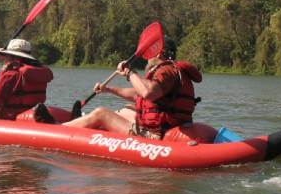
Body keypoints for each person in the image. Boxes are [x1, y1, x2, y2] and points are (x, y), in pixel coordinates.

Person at [62, 39, 201, 139]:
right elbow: (139, 95)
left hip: (156, 135)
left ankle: (59, 129)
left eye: (149, 53)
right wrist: (108, 89)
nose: (147, 58)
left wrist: (129, 72)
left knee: (101, 113)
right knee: (127, 109)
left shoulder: (166, 71)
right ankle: (81, 121)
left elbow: (147, 92)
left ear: (158, 54)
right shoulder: (171, 71)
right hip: (163, 126)